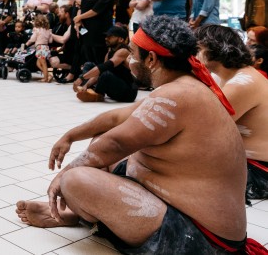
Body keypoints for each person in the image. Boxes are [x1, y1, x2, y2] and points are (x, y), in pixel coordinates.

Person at [15, 15, 259, 255]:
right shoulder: (182, 86)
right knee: (98, 143)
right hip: (180, 212)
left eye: (132, 53)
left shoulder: (180, 94)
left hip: (202, 238)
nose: (129, 59)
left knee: (76, 181)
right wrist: (70, 136)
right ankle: (77, 215)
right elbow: (116, 119)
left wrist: (62, 176)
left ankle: (80, 216)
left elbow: (117, 142)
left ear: (151, 59)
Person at [196, 25, 268, 201]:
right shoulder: (227, 76)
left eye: (197, 49)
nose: (193, 54)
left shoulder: (242, 82)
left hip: (258, 171)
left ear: (215, 49)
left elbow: (201, 128)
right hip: (246, 163)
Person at [74, 25, 137, 102]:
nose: (106, 38)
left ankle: (98, 95)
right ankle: (88, 89)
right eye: (106, 36)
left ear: (120, 39)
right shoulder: (109, 52)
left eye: (110, 37)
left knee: (105, 73)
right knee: (89, 65)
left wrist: (82, 78)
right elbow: (99, 72)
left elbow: (104, 67)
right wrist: (86, 85)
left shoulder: (123, 51)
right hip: (114, 87)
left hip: (128, 93)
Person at [26, 14, 53, 82]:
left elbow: (33, 39)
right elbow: (50, 41)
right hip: (46, 47)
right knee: (38, 63)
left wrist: (27, 43)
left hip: (40, 48)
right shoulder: (48, 31)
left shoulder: (37, 30)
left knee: (43, 63)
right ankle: (48, 75)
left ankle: (45, 78)